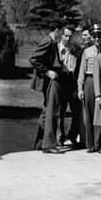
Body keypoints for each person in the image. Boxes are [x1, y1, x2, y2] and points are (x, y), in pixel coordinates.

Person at [29, 20, 65, 154]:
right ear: (57, 30)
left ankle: (40, 143)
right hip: (49, 81)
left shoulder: (53, 42)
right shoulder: (48, 41)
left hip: (51, 80)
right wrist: (47, 71)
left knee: (45, 111)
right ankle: (47, 144)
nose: (62, 34)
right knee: (50, 111)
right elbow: (33, 58)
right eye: (61, 31)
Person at [78, 24, 101, 153]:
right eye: (94, 36)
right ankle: (91, 144)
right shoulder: (87, 51)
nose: (96, 39)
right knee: (88, 114)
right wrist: (80, 88)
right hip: (90, 81)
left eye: (99, 36)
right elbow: (82, 72)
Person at [57, 25, 83, 149]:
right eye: (65, 35)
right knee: (60, 111)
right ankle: (60, 137)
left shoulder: (76, 49)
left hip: (73, 80)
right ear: (61, 35)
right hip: (61, 79)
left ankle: (73, 135)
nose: (67, 38)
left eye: (70, 36)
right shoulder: (56, 48)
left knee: (76, 110)